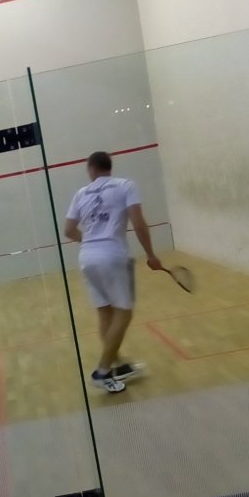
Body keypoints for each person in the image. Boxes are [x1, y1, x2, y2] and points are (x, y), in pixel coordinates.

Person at [64, 150, 161, 394]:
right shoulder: (125, 185)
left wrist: (91, 242)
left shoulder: (81, 193)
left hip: (87, 257)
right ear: (109, 167)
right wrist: (151, 254)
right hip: (113, 257)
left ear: (91, 169)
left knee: (105, 312)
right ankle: (103, 371)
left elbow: (68, 230)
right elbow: (138, 223)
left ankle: (117, 364)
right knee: (124, 313)